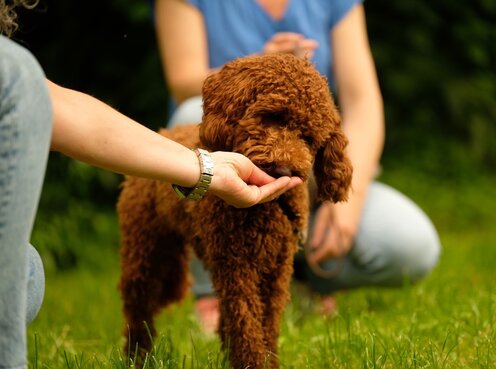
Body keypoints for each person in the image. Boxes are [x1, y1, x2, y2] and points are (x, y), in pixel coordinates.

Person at [0, 3, 302, 368]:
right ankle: (142, 341)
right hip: (177, 188)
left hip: (215, 173)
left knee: (27, 276)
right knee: (137, 281)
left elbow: (54, 105)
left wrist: (204, 169)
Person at [153, 0, 442, 332]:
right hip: (229, 160)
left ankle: (299, 282)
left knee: (411, 245)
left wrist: (352, 196)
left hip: (304, 174)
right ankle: (214, 295)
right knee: (193, 113)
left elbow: (363, 102)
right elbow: (182, 81)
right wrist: (264, 68)